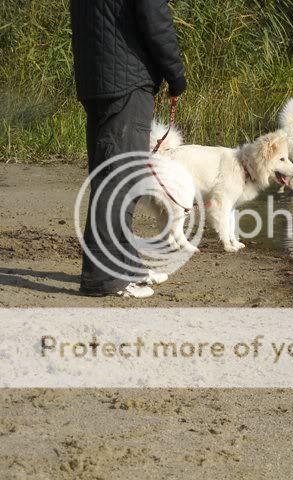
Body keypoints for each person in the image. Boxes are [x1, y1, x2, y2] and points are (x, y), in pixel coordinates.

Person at [70, 0, 187, 298]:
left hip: (96, 79)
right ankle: (104, 279)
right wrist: (175, 75)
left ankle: (127, 268)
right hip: (126, 81)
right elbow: (154, 17)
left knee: (114, 177)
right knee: (118, 182)